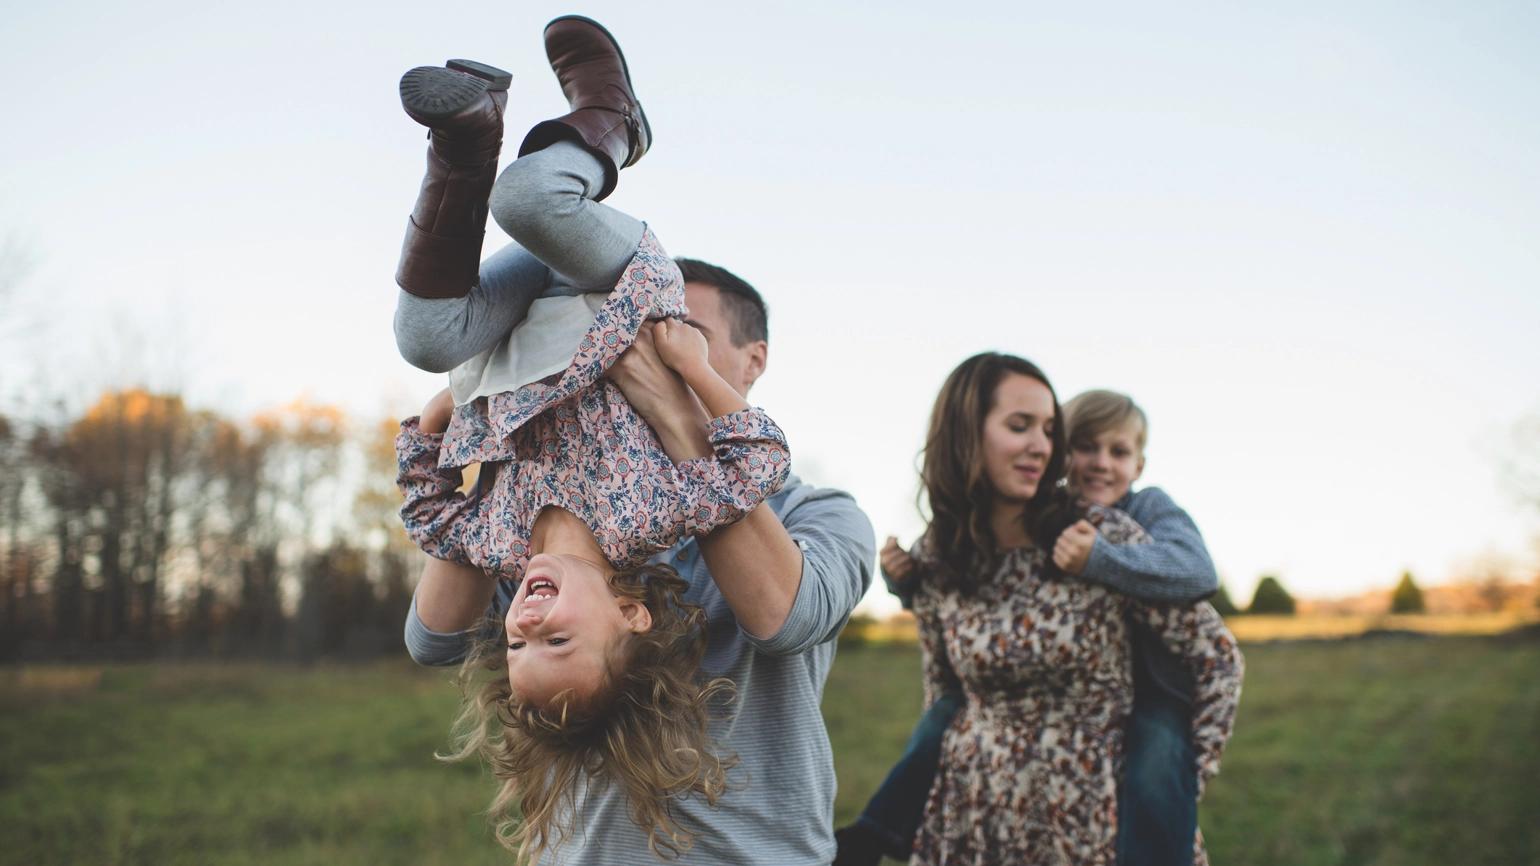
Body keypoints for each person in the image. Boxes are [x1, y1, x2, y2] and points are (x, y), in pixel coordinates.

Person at [395, 16, 876, 866]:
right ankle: (612, 116)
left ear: (752, 358)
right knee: (534, 205)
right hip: (599, 281)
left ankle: (467, 145)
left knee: (427, 337)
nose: (530, 621)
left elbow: (782, 617)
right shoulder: (634, 525)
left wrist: (446, 423)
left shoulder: (824, 516)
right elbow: (431, 638)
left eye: (681, 328)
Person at [849, 353, 1241, 866]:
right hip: (975, 814)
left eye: (1049, 429)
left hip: (1095, 818)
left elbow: (1217, 659)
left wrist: (1186, 774)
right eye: (1019, 425)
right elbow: (943, 692)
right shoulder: (938, 556)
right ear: (966, 434)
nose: (1041, 445)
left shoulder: (1100, 538)